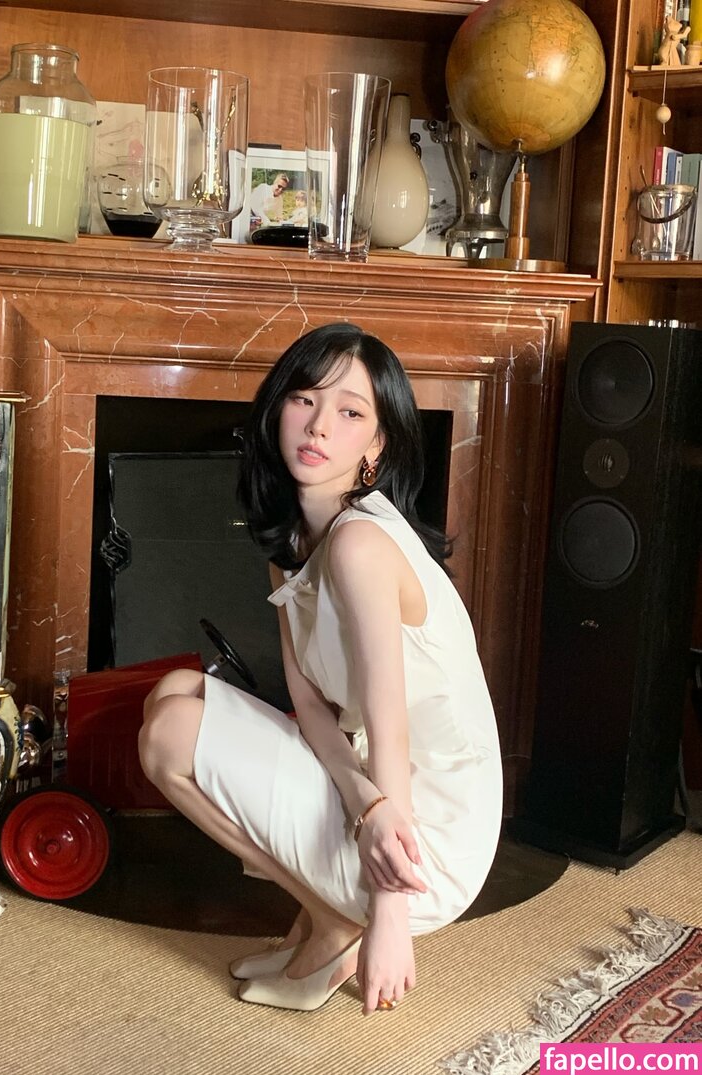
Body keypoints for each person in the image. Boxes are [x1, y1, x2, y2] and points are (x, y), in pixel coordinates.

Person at [138, 323, 503, 1016]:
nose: (319, 426)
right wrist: (362, 802)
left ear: (377, 446)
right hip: (376, 792)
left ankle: (342, 924)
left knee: (171, 734)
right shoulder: (298, 544)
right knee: (174, 692)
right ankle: (326, 915)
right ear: (278, 406)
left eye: (350, 412)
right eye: (305, 399)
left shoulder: (361, 543)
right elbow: (310, 708)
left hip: (428, 835)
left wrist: (390, 913)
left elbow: (390, 730)